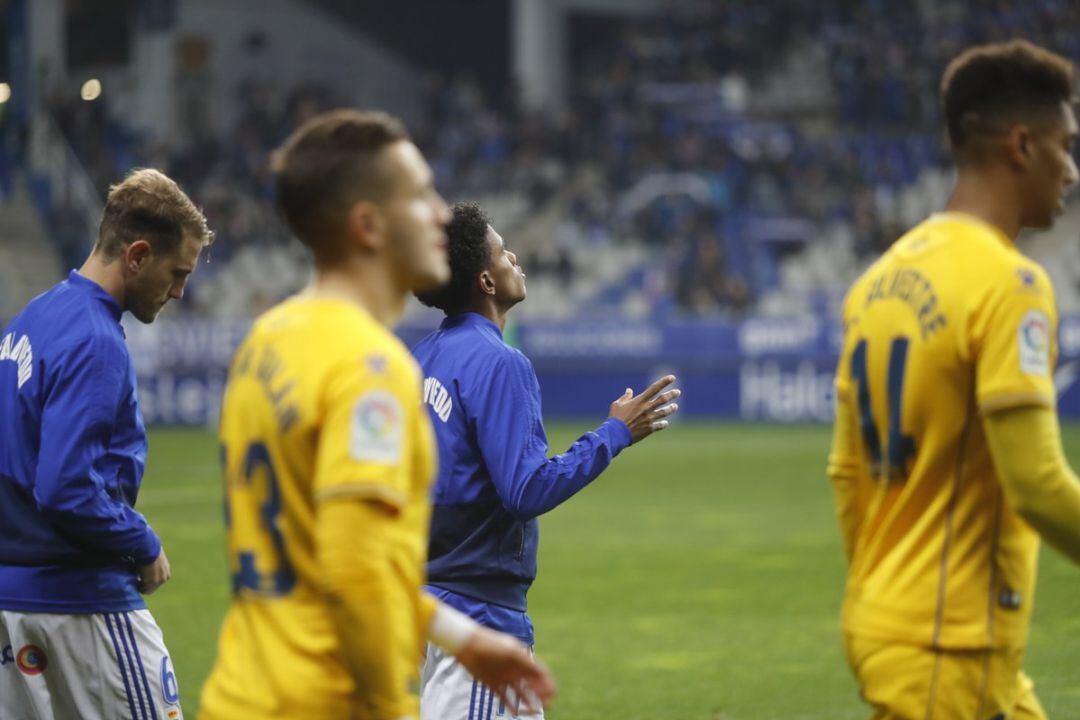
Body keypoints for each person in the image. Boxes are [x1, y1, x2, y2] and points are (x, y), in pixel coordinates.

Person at [199, 111, 555, 720]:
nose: (442, 214)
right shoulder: (369, 369)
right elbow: (356, 574)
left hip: (245, 690)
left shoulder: (268, 341)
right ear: (369, 225)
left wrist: (466, 639)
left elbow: (321, 554)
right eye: (421, 195)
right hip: (322, 699)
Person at [828, 40, 1080, 719]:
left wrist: (888, 590)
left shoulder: (876, 283)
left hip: (897, 627)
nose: (1073, 170)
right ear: (1022, 145)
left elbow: (848, 477)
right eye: (1067, 146)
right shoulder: (1012, 285)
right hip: (949, 644)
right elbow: (1037, 484)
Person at [412, 202, 680, 719]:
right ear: (486, 281)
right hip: (479, 617)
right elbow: (526, 490)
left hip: (432, 610)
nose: (514, 256)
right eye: (502, 250)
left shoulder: (420, 358)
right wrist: (615, 433)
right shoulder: (500, 362)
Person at [0, 168, 213, 719]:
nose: (180, 291)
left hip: (12, 603)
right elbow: (66, 486)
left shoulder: (32, 318)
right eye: (177, 272)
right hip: (81, 603)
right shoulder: (94, 339)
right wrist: (142, 542)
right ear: (138, 255)